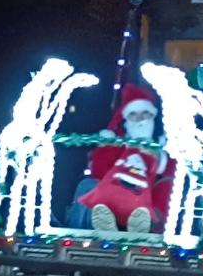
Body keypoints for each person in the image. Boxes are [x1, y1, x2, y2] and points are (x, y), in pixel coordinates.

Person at [68, 84, 172, 233]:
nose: (140, 119)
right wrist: (106, 147)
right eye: (134, 114)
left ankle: (140, 228)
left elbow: (171, 178)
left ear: (153, 116)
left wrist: (158, 158)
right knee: (87, 185)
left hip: (144, 204)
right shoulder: (118, 144)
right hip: (113, 201)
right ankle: (80, 234)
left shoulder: (165, 147)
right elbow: (98, 172)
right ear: (126, 119)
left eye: (145, 113)